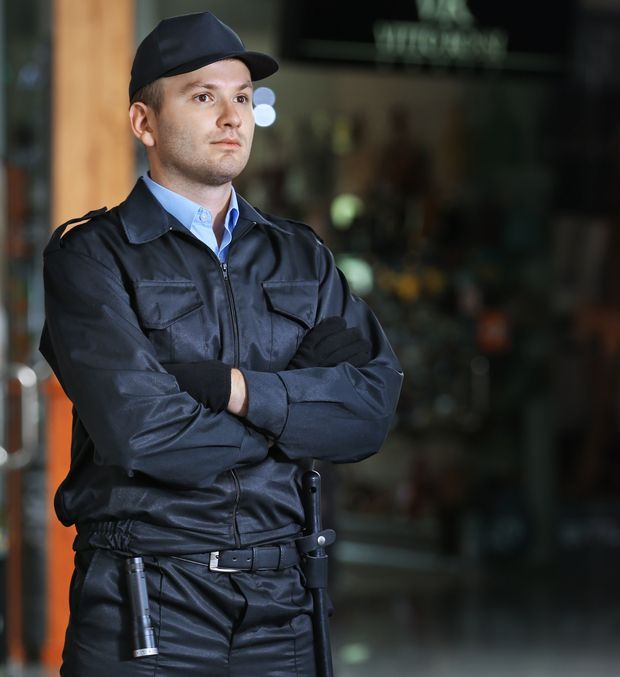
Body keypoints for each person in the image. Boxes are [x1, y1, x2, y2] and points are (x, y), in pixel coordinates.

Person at [38, 12, 403, 675]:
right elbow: (142, 433)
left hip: (283, 603)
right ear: (143, 123)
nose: (232, 116)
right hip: (146, 599)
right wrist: (298, 419)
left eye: (242, 97)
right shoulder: (93, 257)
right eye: (204, 96)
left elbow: (371, 408)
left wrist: (236, 390)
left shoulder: (300, 256)